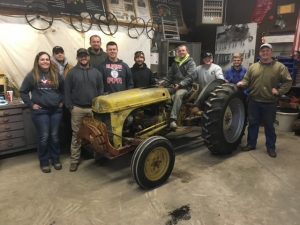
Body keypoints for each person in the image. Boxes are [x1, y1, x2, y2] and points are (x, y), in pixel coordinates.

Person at [237, 43, 292, 158]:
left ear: (271, 52)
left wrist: (279, 91)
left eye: (267, 51)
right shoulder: (253, 67)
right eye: (263, 51)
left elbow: (288, 81)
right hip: (253, 101)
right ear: (260, 53)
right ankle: (251, 144)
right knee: (252, 124)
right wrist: (243, 83)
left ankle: (271, 148)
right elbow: (247, 80)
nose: (265, 53)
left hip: (269, 102)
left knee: (269, 126)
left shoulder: (279, 67)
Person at [20, 51, 64, 173]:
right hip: (41, 112)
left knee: (54, 136)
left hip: (56, 111)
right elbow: (23, 91)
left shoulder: (56, 74)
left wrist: (62, 102)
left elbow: (64, 89)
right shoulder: (32, 75)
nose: (45, 61)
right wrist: (31, 104)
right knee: (44, 136)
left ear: (50, 61)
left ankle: (55, 159)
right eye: (42, 59)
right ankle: (44, 161)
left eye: (47, 59)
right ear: (38, 62)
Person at [64, 48, 104, 172]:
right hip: (77, 109)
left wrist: (98, 107)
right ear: (77, 58)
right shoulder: (71, 73)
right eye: (81, 56)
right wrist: (70, 107)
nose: (83, 58)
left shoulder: (96, 72)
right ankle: (75, 160)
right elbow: (66, 91)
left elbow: (101, 90)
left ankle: (98, 157)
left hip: (92, 109)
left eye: (85, 56)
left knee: (96, 135)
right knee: (76, 135)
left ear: (88, 57)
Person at [165, 45, 196, 129]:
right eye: (179, 51)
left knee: (178, 95)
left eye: (183, 50)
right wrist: (163, 83)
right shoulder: (175, 63)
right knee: (162, 92)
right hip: (175, 86)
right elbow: (170, 76)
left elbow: (190, 77)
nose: (181, 52)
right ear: (177, 53)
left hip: (186, 88)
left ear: (187, 52)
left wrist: (181, 84)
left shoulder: (191, 63)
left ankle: (172, 119)